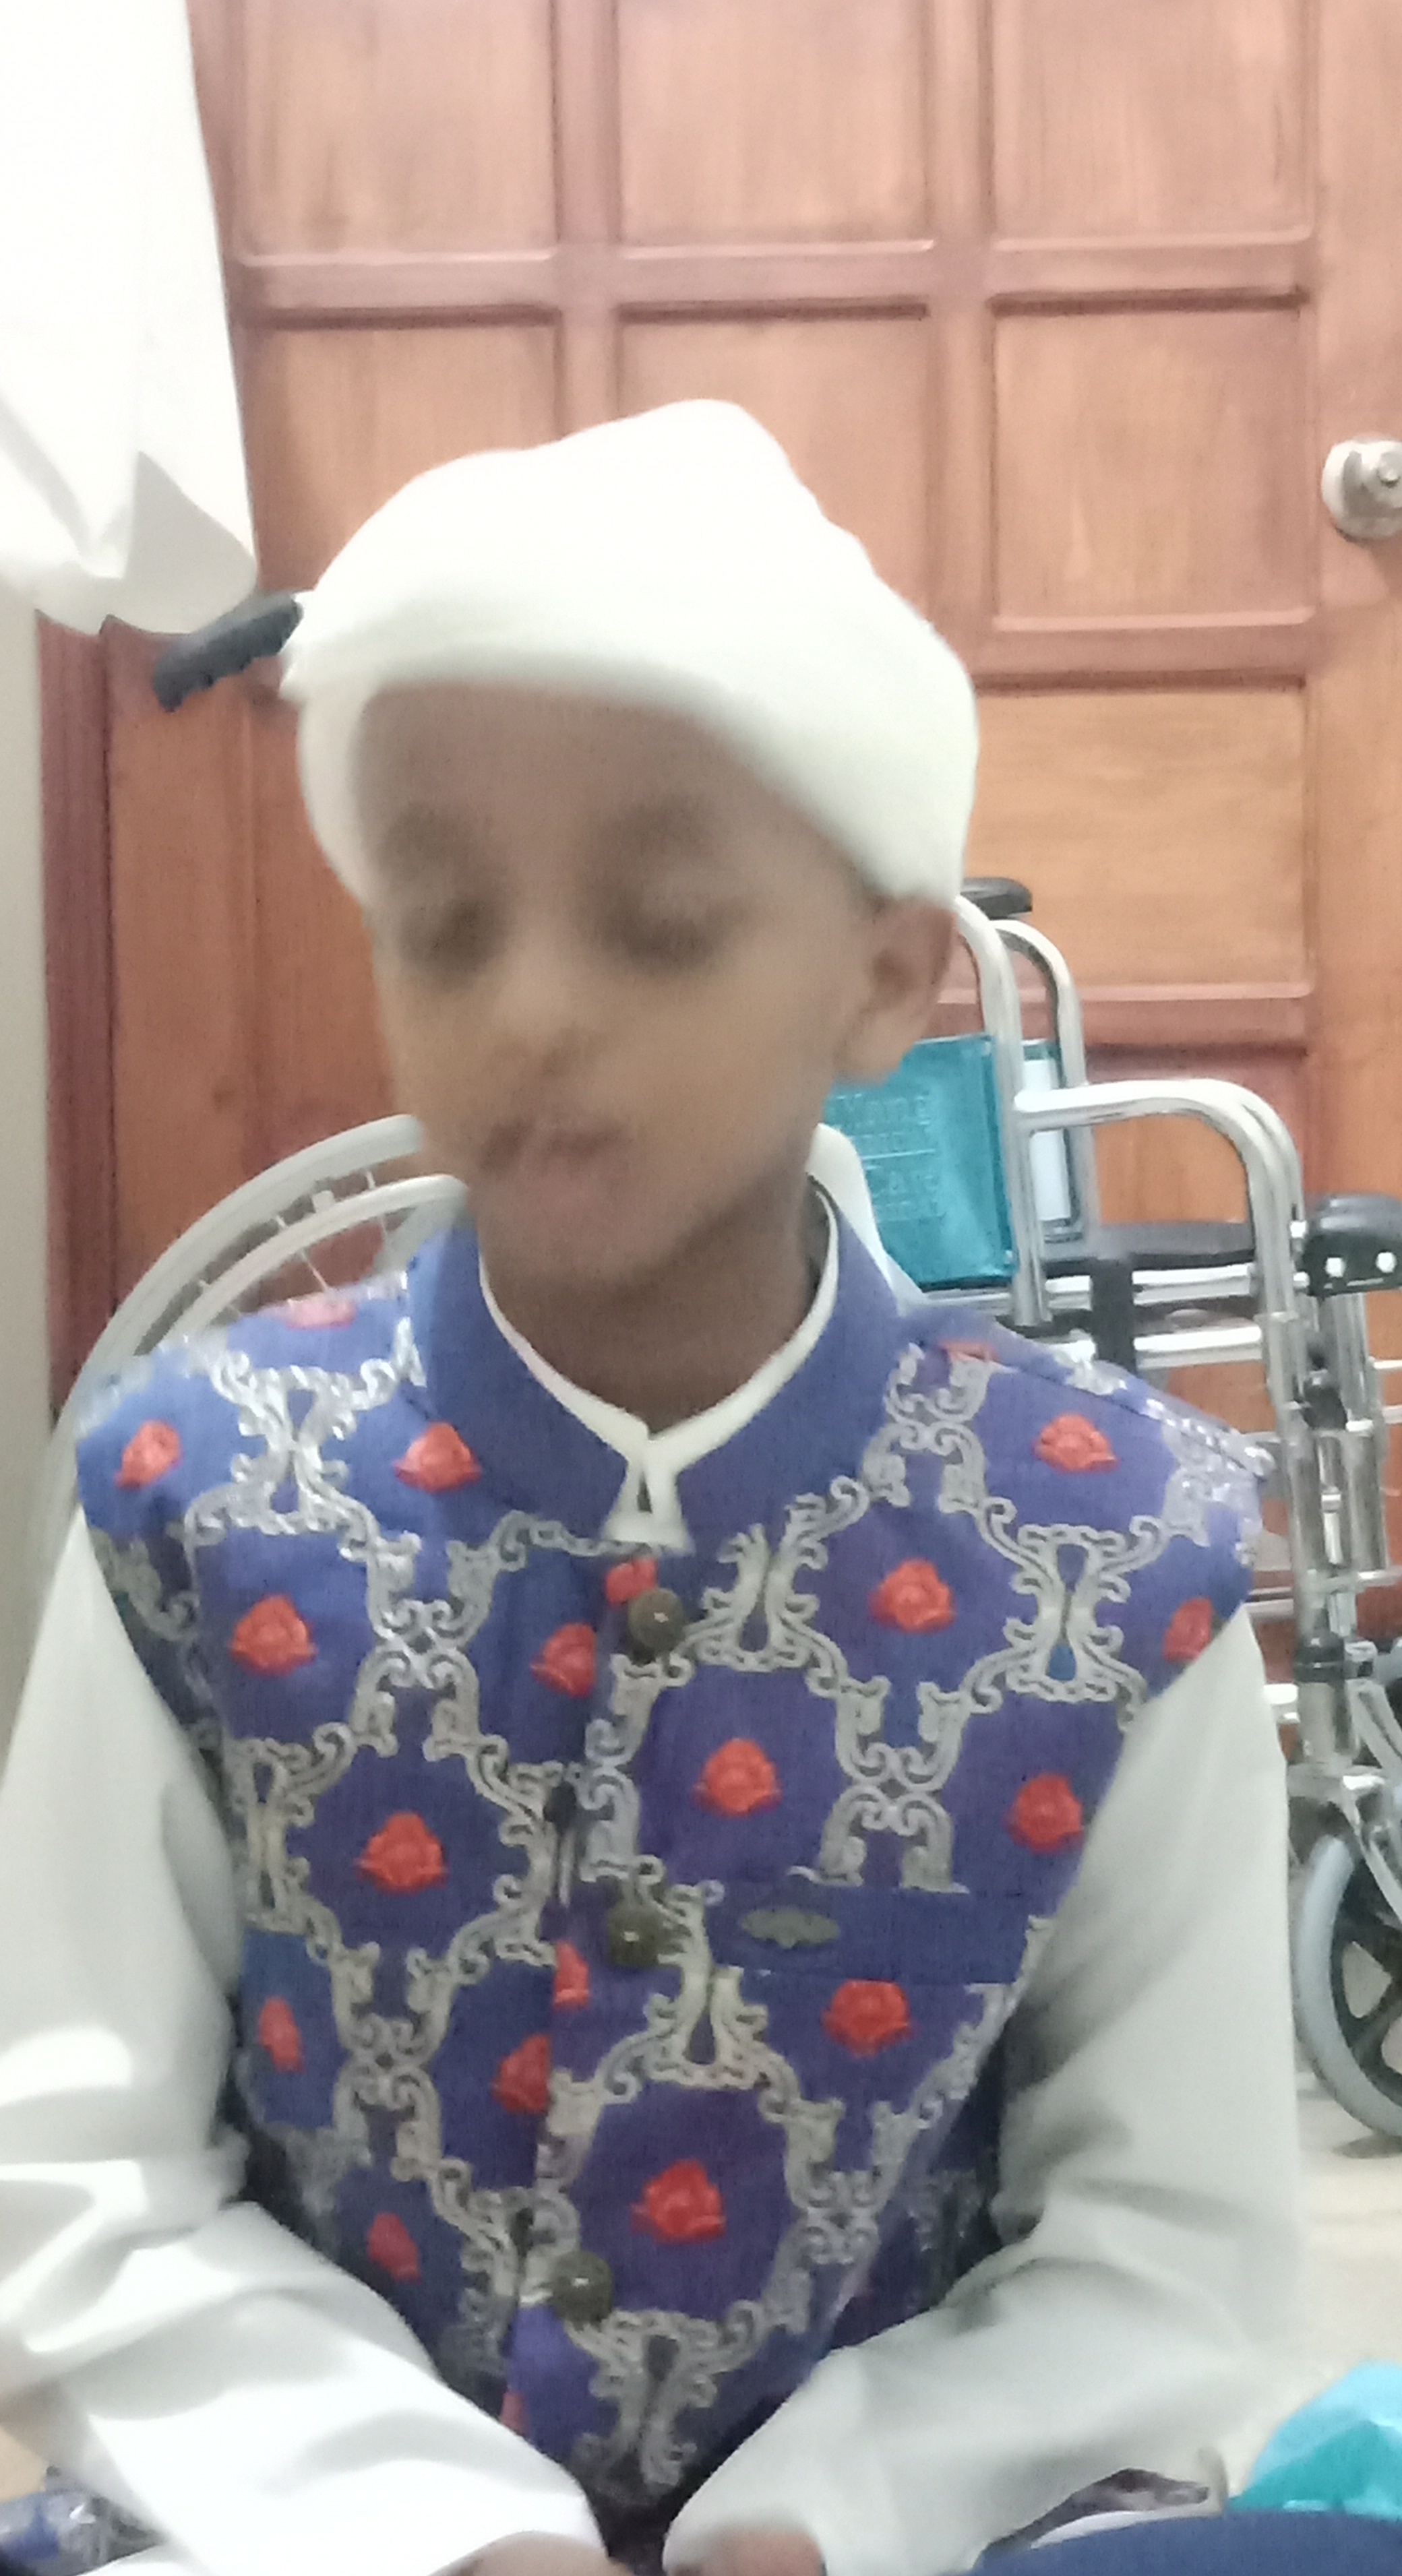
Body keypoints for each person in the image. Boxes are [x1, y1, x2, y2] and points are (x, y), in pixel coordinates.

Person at [0, 404, 1298, 2576]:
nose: (531, 1011)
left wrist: (835, 2512)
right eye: (443, 924)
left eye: (664, 925)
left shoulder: (1113, 1545)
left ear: (884, 980)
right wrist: (430, 2531)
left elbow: (1168, 2245)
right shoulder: (193, 1494)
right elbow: (78, 2187)